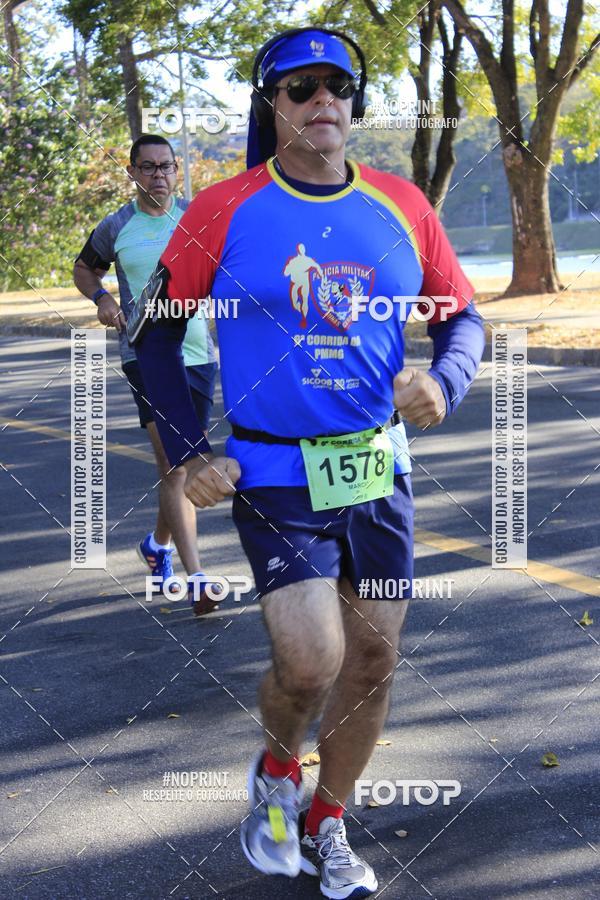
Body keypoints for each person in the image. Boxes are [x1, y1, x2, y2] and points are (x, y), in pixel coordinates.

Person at [131, 27, 485, 898]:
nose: (324, 99)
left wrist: (445, 379)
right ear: (273, 105)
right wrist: (188, 454)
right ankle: (278, 766)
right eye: (301, 87)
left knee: (372, 664)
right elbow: (152, 342)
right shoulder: (224, 208)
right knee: (311, 662)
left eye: (339, 85)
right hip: (276, 475)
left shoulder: (402, 203)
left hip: (376, 468)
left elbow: (463, 318)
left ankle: (326, 821)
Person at [73, 135, 221, 615]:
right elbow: (83, 268)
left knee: (185, 464)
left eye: (167, 166)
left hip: (199, 355)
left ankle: (157, 545)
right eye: (149, 167)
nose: (159, 174)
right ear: (134, 173)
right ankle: (196, 577)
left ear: (177, 172)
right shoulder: (117, 225)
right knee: (176, 465)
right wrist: (103, 299)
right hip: (146, 357)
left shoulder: (198, 218)